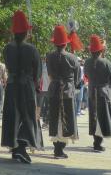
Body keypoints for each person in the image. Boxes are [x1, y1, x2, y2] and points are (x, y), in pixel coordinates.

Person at [1, 10, 41, 165]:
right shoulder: (31, 49)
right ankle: (22, 147)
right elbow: (37, 71)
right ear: (26, 32)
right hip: (26, 85)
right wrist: (35, 83)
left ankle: (14, 146)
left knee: (12, 115)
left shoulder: (7, 48)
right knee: (28, 115)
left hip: (11, 85)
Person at [47, 25, 80, 160]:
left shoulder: (49, 57)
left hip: (54, 89)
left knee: (55, 118)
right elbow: (77, 78)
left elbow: (49, 74)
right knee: (66, 119)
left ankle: (57, 148)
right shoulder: (73, 58)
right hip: (67, 90)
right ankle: (59, 150)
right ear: (66, 43)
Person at [84, 35, 111, 152]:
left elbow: (86, 75)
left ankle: (96, 141)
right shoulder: (106, 62)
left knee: (94, 116)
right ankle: (98, 142)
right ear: (101, 50)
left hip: (92, 91)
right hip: (103, 92)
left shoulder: (87, 62)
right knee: (102, 117)